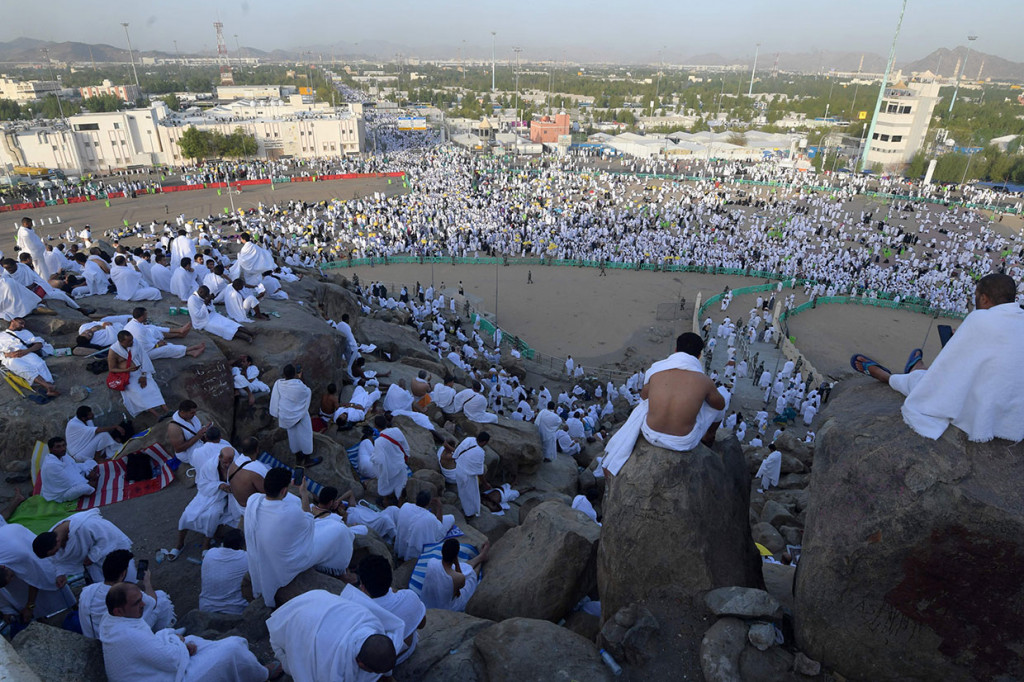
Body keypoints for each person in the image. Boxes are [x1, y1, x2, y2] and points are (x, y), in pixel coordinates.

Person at [852, 274, 1024, 443]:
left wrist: (961, 339)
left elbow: (946, 372)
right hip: (1014, 414)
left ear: (984, 299)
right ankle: (917, 367)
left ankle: (889, 376)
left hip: (983, 406)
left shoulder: (980, 319)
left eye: (977, 296)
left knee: (927, 383)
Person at [99, 582, 279, 682]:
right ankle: (263, 673)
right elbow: (170, 661)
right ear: (119, 611)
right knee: (232, 648)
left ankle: (243, 666)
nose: (143, 604)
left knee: (192, 639)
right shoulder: (129, 634)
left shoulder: (111, 621)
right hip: (169, 674)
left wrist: (175, 640)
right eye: (137, 603)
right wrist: (181, 645)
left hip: (153, 670)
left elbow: (148, 645)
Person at [602, 333, 726, 476]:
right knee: (716, 403)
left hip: (650, 433)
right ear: (699, 356)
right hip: (683, 441)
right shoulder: (705, 381)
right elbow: (720, 405)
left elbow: (644, 396)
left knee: (645, 404)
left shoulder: (656, 370)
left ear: (675, 350)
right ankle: (709, 436)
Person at [243, 468, 355, 606]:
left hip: (269, 552)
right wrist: (304, 493)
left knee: (326, 527)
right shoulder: (290, 513)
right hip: (289, 562)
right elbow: (309, 521)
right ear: (284, 491)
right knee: (340, 530)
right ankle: (341, 572)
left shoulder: (253, 500)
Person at [267, 587, 404, 682]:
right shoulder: (331, 664)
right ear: (360, 664)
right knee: (296, 667)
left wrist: (388, 677)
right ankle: (283, 663)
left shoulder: (372, 623)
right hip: (296, 623)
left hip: (317, 599)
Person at [79, 549, 175, 639]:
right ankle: (165, 636)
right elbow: (153, 602)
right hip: (120, 637)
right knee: (161, 599)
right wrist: (147, 582)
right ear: (122, 574)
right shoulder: (124, 592)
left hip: (95, 636)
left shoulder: (87, 590)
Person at [170, 447, 241, 560]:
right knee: (186, 514)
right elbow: (202, 484)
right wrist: (219, 485)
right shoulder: (209, 466)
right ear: (219, 457)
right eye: (225, 462)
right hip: (206, 495)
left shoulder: (237, 466)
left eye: (230, 462)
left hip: (222, 498)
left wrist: (230, 489)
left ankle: (206, 544)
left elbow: (240, 483)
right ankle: (180, 543)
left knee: (212, 515)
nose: (227, 465)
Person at [0, 523, 75, 625]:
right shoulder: (6, 568)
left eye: (11, 576)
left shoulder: (20, 556)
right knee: (19, 592)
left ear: (3, 566)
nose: (12, 579)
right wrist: (7, 610)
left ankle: (72, 608)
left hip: (19, 542)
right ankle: (39, 618)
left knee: (50, 582)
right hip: (10, 541)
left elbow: (35, 579)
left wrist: (30, 606)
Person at [33, 508, 135, 584]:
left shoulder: (87, 525)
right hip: (93, 562)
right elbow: (59, 559)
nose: (56, 553)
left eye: (54, 551)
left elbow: (108, 538)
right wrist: (61, 573)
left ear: (57, 541)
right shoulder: (52, 539)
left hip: (112, 549)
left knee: (126, 578)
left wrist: (92, 556)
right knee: (104, 586)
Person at [357, 555, 426, 665]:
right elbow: (422, 624)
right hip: (407, 651)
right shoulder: (410, 596)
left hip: (378, 665)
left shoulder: (359, 611)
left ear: (363, 587)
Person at [107, 330, 168, 419]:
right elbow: (112, 369)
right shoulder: (113, 351)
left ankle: (166, 409)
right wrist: (127, 369)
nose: (132, 342)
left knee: (152, 388)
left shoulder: (135, 343)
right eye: (128, 341)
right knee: (138, 393)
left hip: (141, 371)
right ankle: (157, 415)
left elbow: (144, 358)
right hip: (127, 376)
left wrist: (143, 375)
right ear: (121, 342)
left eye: (131, 340)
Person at [269, 364, 321, 468]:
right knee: (305, 435)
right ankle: (307, 460)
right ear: (295, 374)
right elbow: (307, 392)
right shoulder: (300, 385)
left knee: (293, 436)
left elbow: (276, 398)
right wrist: (300, 378)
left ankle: (298, 458)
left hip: (287, 416)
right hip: (300, 416)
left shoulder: (279, 383)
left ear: (284, 374)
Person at [420, 537, 489, 612]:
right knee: (471, 575)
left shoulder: (431, 562)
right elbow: (459, 590)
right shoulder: (458, 578)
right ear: (456, 556)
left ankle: (480, 557)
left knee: (464, 567)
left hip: (429, 601)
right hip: (447, 607)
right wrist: (456, 563)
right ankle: (481, 561)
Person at [1, 317, 58, 396]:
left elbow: (39, 342)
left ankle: (49, 386)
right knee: (25, 368)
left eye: (24, 324)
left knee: (40, 364)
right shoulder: (1, 336)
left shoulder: (25, 333)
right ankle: (48, 386)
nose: (23, 326)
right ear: (13, 321)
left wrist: (26, 351)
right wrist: (9, 354)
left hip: (26, 352)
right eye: (21, 323)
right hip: (10, 357)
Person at [199, 528, 249, 615]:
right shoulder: (246, 558)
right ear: (242, 545)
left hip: (205, 608)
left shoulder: (210, 553)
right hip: (236, 610)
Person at [394, 491, 456, 561]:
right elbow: (439, 530)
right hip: (415, 552)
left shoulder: (405, 506)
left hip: (401, 546)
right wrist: (439, 507)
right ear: (428, 503)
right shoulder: (430, 518)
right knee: (451, 518)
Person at [124, 307, 204, 360]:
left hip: (146, 345)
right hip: (142, 354)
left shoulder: (134, 322)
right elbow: (144, 347)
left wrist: (156, 343)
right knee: (167, 348)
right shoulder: (139, 330)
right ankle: (190, 350)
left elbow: (146, 340)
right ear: (141, 317)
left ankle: (187, 347)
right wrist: (157, 345)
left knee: (153, 328)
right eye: (146, 315)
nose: (147, 316)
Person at [39, 436, 98, 503]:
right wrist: (87, 482)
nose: (63, 448)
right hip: (60, 494)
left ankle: (88, 478)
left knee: (91, 462)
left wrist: (87, 471)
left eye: (64, 445)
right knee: (85, 488)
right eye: (58, 447)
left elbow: (74, 466)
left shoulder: (64, 455)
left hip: (73, 480)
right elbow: (68, 483)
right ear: (51, 449)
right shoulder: (51, 465)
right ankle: (88, 481)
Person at [187, 286, 254, 343]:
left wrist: (210, 302)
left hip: (212, 315)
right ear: (201, 292)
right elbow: (198, 315)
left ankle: (250, 333)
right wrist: (205, 304)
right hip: (203, 322)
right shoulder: (192, 300)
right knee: (224, 328)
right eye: (206, 295)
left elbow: (211, 309)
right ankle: (246, 337)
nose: (206, 296)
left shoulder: (201, 297)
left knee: (229, 322)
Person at [371, 415, 410, 505]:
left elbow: (379, 460)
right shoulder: (397, 431)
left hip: (389, 469)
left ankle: (386, 501)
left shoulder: (378, 442)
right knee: (400, 484)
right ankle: (400, 502)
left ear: (376, 426)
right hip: (400, 464)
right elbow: (405, 446)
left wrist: (373, 458)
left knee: (382, 476)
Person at [453, 433, 489, 518]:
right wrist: (485, 483)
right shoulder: (480, 452)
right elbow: (479, 473)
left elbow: (458, 451)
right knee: (471, 495)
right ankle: (470, 513)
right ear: (484, 442)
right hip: (467, 476)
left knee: (462, 491)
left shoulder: (469, 439)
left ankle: (465, 508)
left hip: (458, 469)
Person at [165, 400, 209, 465]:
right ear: (182, 412)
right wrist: (197, 436)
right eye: (192, 413)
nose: (195, 415)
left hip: (199, 443)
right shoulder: (174, 428)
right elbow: (179, 449)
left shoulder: (192, 418)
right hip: (186, 453)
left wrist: (205, 428)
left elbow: (196, 430)